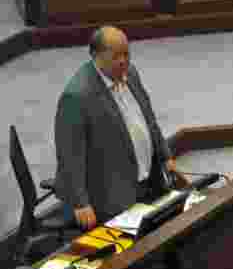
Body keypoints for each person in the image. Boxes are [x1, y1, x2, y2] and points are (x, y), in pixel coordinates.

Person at [55, 26, 185, 231]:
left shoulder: (130, 73)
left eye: (127, 54)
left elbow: (148, 119)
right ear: (96, 56)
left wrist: (166, 157)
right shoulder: (77, 96)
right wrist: (80, 202)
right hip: (111, 193)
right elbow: (69, 154)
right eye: (116, 56)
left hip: (148, 181)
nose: (124, 61)